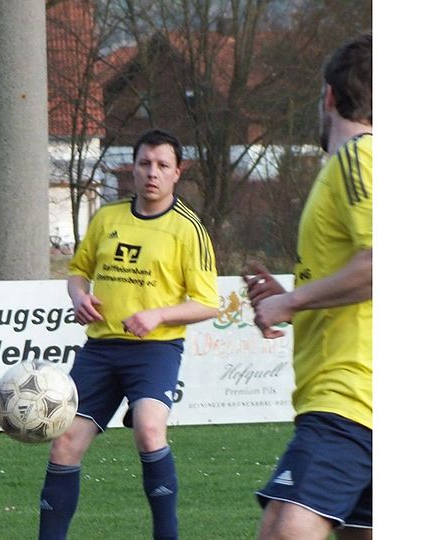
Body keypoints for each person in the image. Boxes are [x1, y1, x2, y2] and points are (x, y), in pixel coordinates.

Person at [37, 128, 219, 540]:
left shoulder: (188, 229)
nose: (152, 172)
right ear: (132, 169)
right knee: (64, 443)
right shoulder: (107, 218)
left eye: (162, 165)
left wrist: (158, 315)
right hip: (100, 349)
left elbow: (208, 303)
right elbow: (78, 272)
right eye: (144, 163)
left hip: (155, 350)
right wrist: (78, 296)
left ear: (177, 172)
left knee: (149, 431)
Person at [245, 32, 372, 540]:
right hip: (360, 400)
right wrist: (293, 296)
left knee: (285, 526)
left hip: (350, 398)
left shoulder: (358, 158)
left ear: (329, 96)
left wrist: (290, 302)